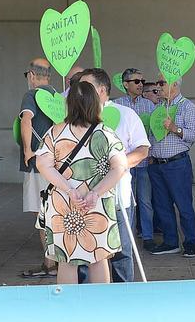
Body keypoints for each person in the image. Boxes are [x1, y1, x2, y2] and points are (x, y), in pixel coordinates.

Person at [35, 81, 129, 284]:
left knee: (67, 261)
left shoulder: (54, 132)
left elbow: (42, 164)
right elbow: (120, 166)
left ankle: (68, 303)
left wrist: (69, 190)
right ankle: (99, 302)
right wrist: (95, 193)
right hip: (97, 204)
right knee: (99, 258)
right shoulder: (106, 133)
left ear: (69, 104)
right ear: (95, 103)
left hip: (63, 204)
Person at [80, 68, 149, 282]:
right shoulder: (76, 118)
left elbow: (142, 150)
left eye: (86, 86)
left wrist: (116, 166)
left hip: (118, 198)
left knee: (121, 252)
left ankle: (123, 295)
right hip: (83, 199)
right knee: (85, 254)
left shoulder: (126, 115)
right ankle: (86, 296)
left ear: (101, 90)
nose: (80, 91)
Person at [146, 77, 195, 257]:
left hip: (177, 164)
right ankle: (170, 242)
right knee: (162, 205)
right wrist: (151, 154)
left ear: (174, 84)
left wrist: (175, 128)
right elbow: (152, 135)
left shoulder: (187, 107)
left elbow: (193, 135)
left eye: (162, 83)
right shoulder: (158, 108)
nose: (158, 86)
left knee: (183, 205)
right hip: (157, 164)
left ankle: (190, 242)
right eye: (158, 82)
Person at [18, 58, 59, 277]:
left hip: (38, 164)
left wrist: (27, 150)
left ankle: (50, 263)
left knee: (41, 214)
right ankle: (59, 260)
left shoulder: (31, 95)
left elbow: (26, 120)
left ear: (32, 75)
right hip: (58, 164)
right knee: (55, 211)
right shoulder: (58, 97)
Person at [117, 67, 157, 248]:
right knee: (125, 202)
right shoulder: (116, 106)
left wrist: (151, 153)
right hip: (122, 164)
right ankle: (127, 239)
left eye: (142, 81)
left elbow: (154, 134)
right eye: (136, 81)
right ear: (126, 84)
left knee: (145, 201)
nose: (141, 84)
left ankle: (147, 237)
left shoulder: (150, 106)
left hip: (143, 163)